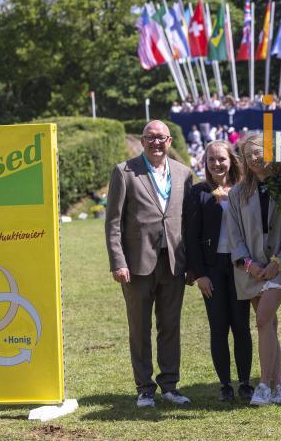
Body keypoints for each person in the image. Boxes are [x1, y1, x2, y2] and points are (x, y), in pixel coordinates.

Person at [105, 120, 194, 408]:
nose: (156, 143)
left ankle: (170, 385)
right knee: (139, 328)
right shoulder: (125, 171)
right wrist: (118, 261)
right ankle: (144, 388)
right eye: (150, 138)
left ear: (170, 141)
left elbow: (189, 223)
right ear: (143, 141)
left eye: (161, 138)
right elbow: (113, 223)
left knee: (170, 326)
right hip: (136, 265)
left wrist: (192, 264)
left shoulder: (183, 173)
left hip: (173, 263)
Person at [228, 134, 281, 406]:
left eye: (258, 152)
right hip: (251, 269)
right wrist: (249, 264)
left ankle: (262, 385)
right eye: (248, 155)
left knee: (261, 321)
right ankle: (279, 386)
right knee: (268, 325)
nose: (254, 159)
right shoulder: (237, 193)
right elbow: (234, 234)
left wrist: (277, 262)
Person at [185, 141, 253, 403]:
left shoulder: (242, 189)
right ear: (205, 163)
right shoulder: (198, 192)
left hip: (238, 266)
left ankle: (245, 382)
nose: (217, 164)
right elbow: (191, 236)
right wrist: (199, 274)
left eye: (221, 159)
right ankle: (225, 384)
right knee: (218, 328)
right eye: (212, 159)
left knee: (241, 327)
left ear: (231, 160)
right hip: (211, 270)